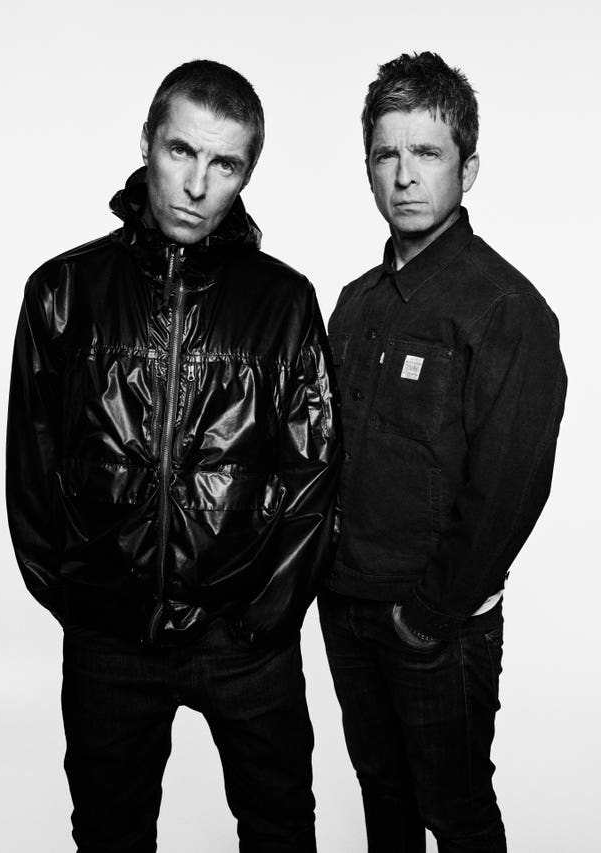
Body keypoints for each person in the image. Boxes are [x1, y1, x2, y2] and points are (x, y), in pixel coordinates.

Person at [6, 59, 340, 853]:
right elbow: (33, 460)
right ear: (148, 144)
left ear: (245, 174)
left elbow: (313, 467)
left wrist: (268, 613)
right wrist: (82, 601)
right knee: (110, 834)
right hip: (110, 636)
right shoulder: (63, 290)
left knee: (282, 827)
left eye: (222, 163)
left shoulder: (283, 301)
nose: (196, 182)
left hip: (240, 635)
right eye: (180, 151)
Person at [319, 52, 566, 852]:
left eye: (427, 153)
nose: (405, 176)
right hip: (348, 607)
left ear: (469, 165)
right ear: (367, 165)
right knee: (383, 803)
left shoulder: (508, 310)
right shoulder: (354, 305)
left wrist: (427, 617)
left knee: (455, 813)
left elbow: (509, 487)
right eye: (386, 153)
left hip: (436, 624)